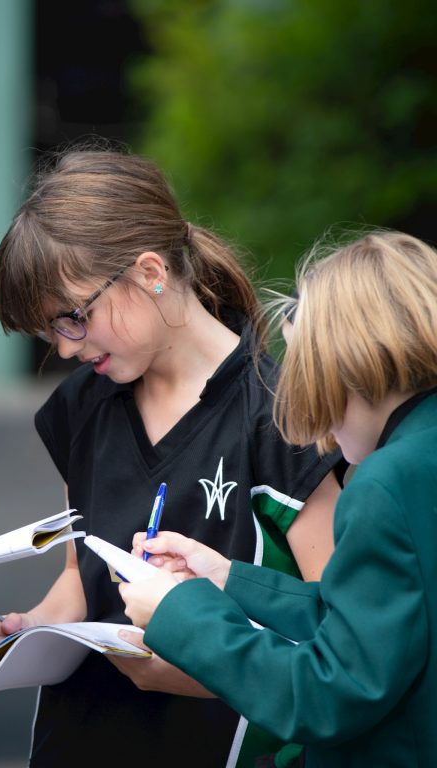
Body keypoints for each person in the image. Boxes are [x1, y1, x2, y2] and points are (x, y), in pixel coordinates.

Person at [0, 146, 343, 767]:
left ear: (149, 270)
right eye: (49, 332)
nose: (65, 349)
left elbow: (336, 636)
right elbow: (80, 575)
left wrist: (202, 667)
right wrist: (33, 628)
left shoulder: (285, 415)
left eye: (73, 317)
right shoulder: (82, 406)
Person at [119, 230, 437, 767]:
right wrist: (227, 578)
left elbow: (328, 693)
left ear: (348, 361)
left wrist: (180, 611)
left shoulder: (385, 484)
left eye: (304, 366)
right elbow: (375, 622)